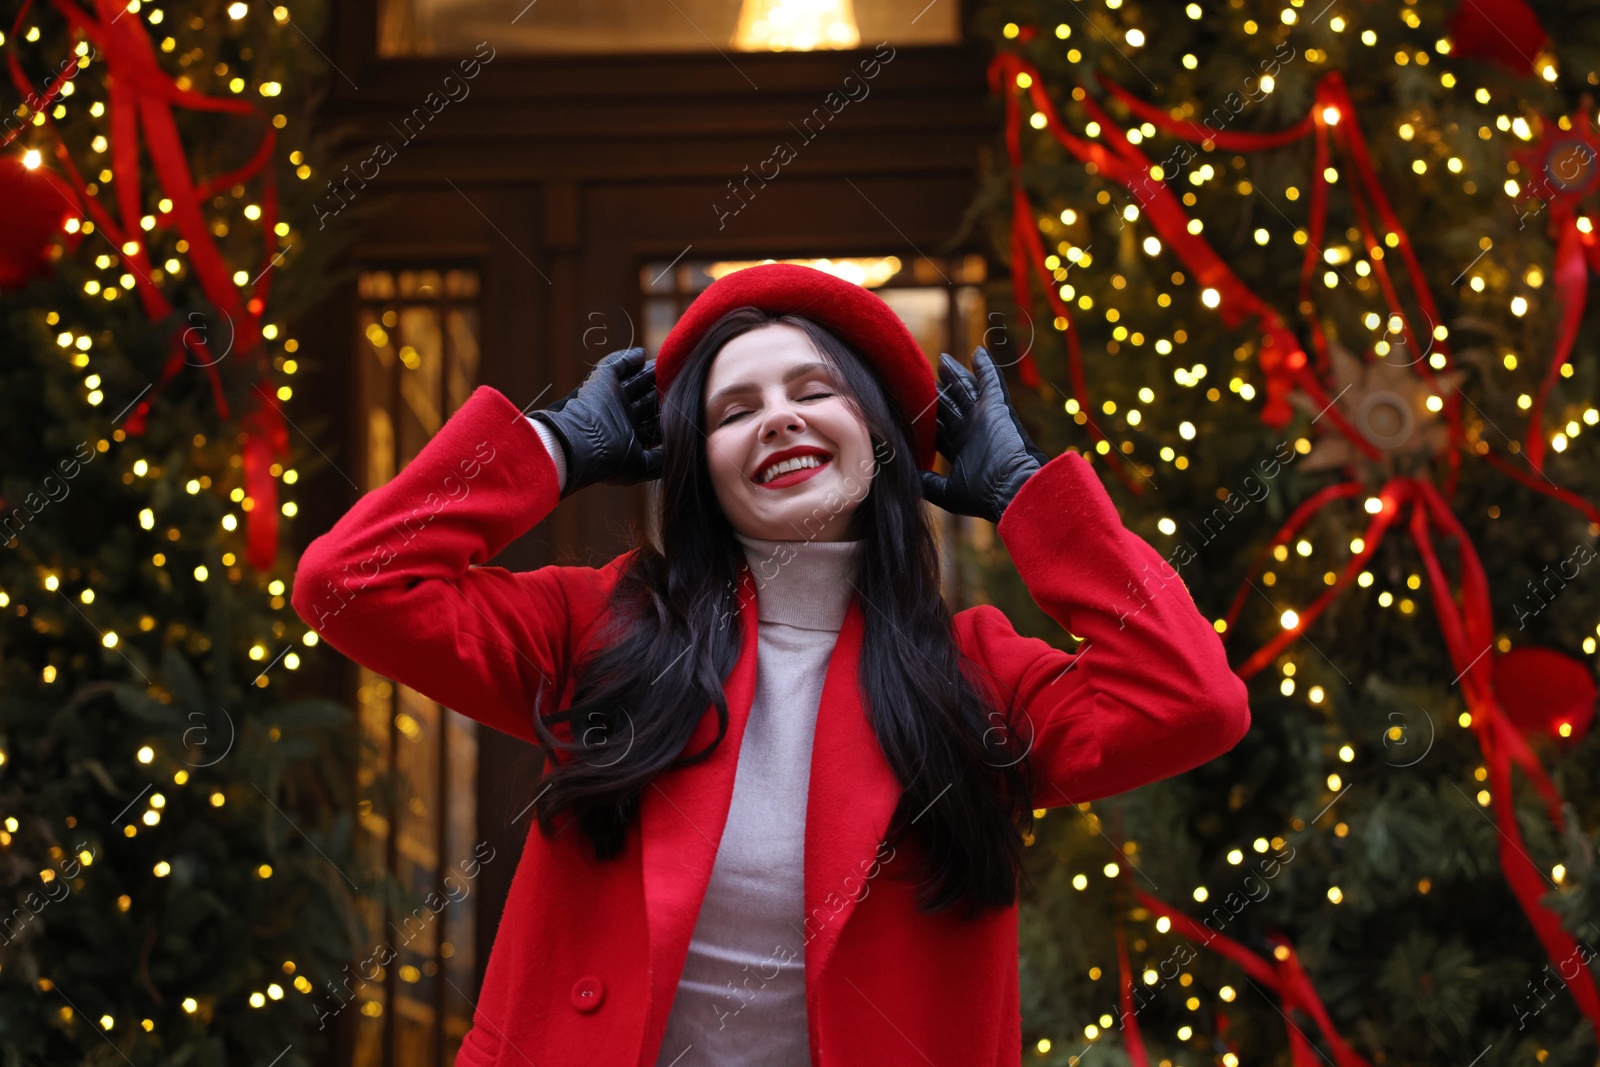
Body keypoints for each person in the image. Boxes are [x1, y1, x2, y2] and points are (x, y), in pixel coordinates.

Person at [290, 262, 1251, 1067]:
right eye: (734, 409)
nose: (779, 419)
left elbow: (1193, 700)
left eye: (813, 389)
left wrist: (1031, 496)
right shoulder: (596, 629)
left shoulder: (973, 676)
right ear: (699, 467)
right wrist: (553, 448)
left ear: (877, 434)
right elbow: (351, 583)